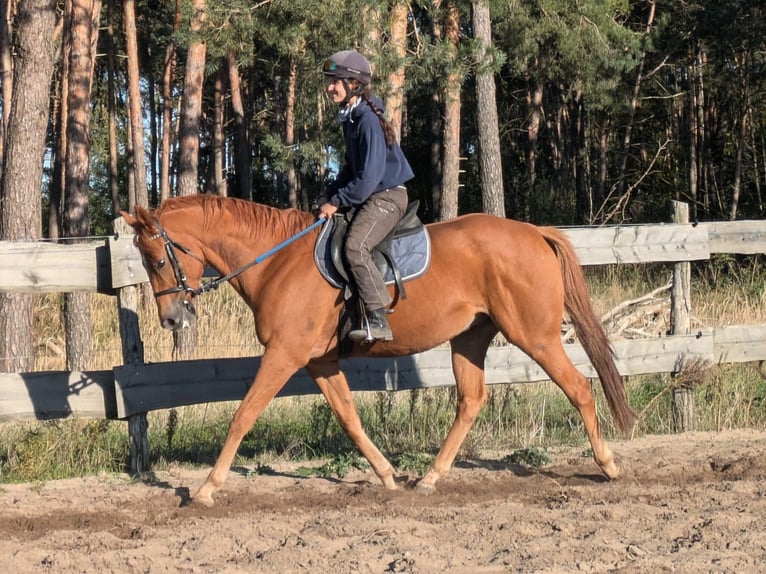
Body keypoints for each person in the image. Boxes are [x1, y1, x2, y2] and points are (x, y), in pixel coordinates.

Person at [317, 49, 415, 343]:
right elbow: (351, 169)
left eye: (336, 81)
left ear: (354, 84)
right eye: (330, 81)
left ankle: (378, 315)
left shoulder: (367, 121)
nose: (330, 87)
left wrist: (337, 201)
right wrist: (328, 195)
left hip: (386, 197)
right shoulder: (352, 117)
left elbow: (368, 179)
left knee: (355, 247)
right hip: (371, 194)